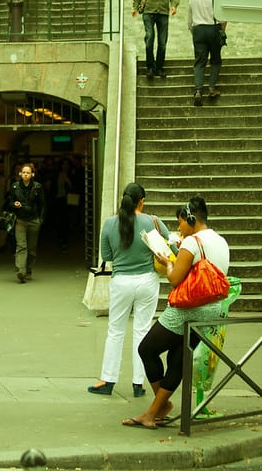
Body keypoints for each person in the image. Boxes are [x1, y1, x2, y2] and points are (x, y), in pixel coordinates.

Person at [123, 195, 229, 430]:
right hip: (211, 309)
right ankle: (156, 410)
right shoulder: (220, 240)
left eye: (180, 222)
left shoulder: (192, 242)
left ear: (190, 219)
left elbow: (174, 279)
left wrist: (168, 261)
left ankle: (159, 408)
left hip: (188, 309)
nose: (179, 227)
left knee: (147, 349)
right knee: (177, 358)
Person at [88, 183, 170, 397]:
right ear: (141, 201)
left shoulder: (109, 223)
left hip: (121, 282)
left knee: (115, 331)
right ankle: (138, 383)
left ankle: (107, 380)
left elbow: (107, 256)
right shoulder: (152, 222)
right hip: (147, 282)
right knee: (142, 331)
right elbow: (170, 244)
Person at [187, 0, 226, 106]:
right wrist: (222, 31)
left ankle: (198, 90)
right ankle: (212, 87)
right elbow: (222, 17)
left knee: (199, 61)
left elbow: (189, 21)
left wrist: (195, 33)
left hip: (198, 30)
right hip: (213, 29)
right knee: (215, 59)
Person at [5, 163, 45, 283]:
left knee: (32, 249)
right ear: (20, 174)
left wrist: (41, 220)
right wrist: (14, 204)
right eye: (23, 172)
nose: (25, 175)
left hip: (33, 220)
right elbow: (10, 201)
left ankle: (28, 270)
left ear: (32, 174)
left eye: (28, 173)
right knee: (21, 246)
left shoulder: (37, 187)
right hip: (20, 220)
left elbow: (43, 205)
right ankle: (21, 271)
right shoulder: (15, 187)